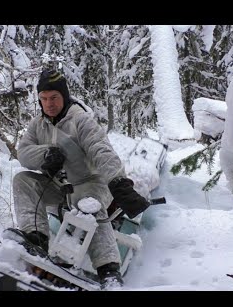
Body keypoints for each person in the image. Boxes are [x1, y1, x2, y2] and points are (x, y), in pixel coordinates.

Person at [12, 69, 149, 288]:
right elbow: (23, 152)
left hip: (92, 183)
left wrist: (120, 184)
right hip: (61, 188)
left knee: (89, 204)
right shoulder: (38, 124)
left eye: (54, 98)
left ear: (64, 96)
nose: (49, 104)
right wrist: (46, 154)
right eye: (44, 99)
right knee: (23, 180)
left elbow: (101, 150)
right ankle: (36, 239)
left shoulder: (80, 120)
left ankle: (109, 270)